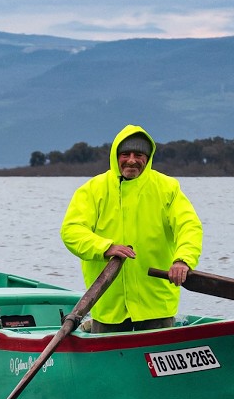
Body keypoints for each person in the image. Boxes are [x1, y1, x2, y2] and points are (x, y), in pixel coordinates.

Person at [60, 124, 204, 333]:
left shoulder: (168, 188)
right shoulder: (92, 190)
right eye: (125, 154)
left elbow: (189, 226)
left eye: (139, 154)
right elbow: (71, 230)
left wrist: (183, 260)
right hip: (107, 304)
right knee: (107, 364)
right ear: (115, 156)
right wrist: (105, 247)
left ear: (148, 157)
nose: (132, 160)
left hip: (156, 305)